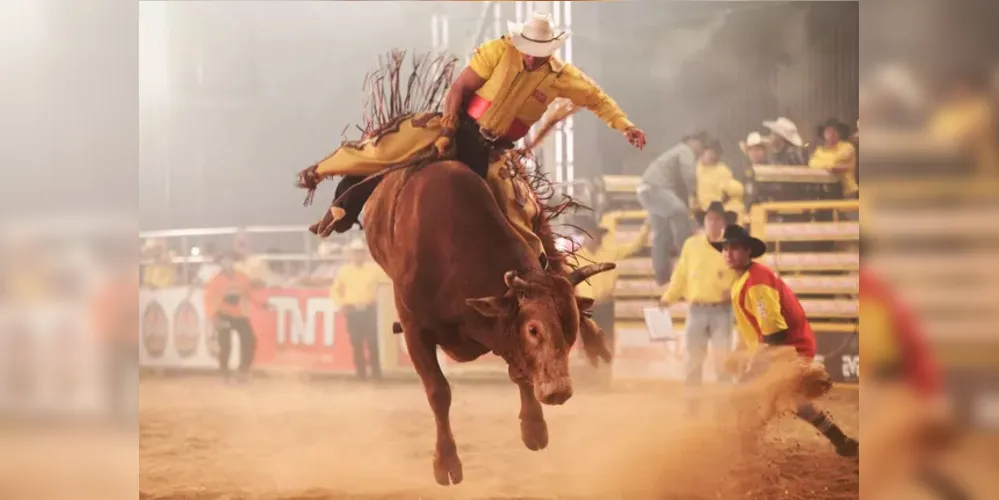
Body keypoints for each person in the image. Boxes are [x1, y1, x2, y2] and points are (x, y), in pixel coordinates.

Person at [300, 12, 645, 260]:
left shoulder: (563, 77)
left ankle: (536, 265)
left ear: (549, 51)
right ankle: (341, 206)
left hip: (493, 149)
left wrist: (625, 125)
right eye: (526, 46)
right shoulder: (498, 50)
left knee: (513, 209)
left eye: (536, 50)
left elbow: (598, 99)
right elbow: (460, 88)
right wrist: (448, 125)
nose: (528, 54)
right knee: (388, 149)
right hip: (457, 126)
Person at [712, 224, 859, 457]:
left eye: (735, 248)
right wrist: (741, 351)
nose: (728, 253)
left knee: (744, 397)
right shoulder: (746, 279)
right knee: (794, 401)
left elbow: (774, 334)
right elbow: (753, 327)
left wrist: (752, 364)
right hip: (785, 346)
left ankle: (746, 454)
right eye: (725, 248)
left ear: (748, 251)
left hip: (785, 348)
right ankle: (842, 442)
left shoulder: (756, 283)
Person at [660, 202, 738, 415]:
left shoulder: (732, 246)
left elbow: (744, 274)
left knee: (722, 363)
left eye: (718, 219)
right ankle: (692, 408)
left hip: (722, 311)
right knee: (693, 362)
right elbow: (681, 275)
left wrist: (733, 291)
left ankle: (722, 409)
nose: (713, 223)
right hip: (696, 309)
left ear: (724, 222)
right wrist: (668, 297)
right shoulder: (691, 245)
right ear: (704, 222)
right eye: (710, 219)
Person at [637, 131, 709, 284]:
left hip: (648, 191)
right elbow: (688, 175)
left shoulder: (673, 155)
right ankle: (687, 255)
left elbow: (679, 188)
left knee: (662, 235)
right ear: (693, 142)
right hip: (656, 189)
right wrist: (694, 194)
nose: (700, 150)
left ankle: (662, 277)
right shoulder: (685, 150)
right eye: (700, 146)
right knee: (679, 211)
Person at [573, 216, 650, 351]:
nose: (593, 238)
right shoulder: (574, 257)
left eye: (595, 235)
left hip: (605, 305)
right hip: (585, 308)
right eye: (589, 235)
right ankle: (589, 370)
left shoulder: (610, 252)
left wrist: (646, 228)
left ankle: (605, 371)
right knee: (587, 346)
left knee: (607, 344)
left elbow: (634, 246)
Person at [330, 239, 387, 380]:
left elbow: (388, 281)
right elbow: (335, 290)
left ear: (365, 254)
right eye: (355, 253)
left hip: (369, 310)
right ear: (351, 254)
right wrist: (341, 304)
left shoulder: (374, 270)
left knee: (373, 343)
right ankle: (361, 374)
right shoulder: (344, 271)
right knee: (356, 343)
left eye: (360, 252)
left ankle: (376, 373)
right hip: (352, 311)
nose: (358, 255)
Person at [203, 252, 258, 383]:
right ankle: (224, 372)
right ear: (220, 263)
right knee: (225, 343)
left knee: (249, 340)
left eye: (229, 260)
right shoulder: (215, 281)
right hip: (222, 314)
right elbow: (208, 300)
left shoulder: (242, 278)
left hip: (238, 314)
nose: (227, 263)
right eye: (224, 260)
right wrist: (214, 318)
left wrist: (261, 303)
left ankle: (243, 370)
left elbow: (250, 294)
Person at [809, 118, 859, 201]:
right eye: (828, 131)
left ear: (840, 133)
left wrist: (823, 164)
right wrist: (830, 167)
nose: (831, 134)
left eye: (834, 131)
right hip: (826, 193)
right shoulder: (820, 149)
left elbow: (836, 160)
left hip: (847, 193)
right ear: (823, 134)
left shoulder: (847, 147)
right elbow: (812, 163)